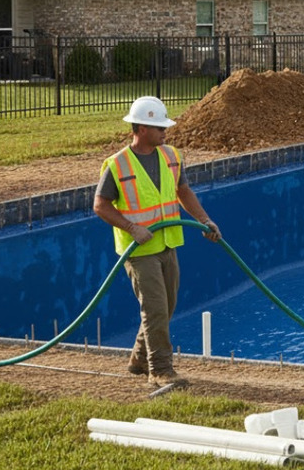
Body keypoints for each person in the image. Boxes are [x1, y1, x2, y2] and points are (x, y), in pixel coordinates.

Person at [93, 96, 221, 387]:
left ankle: (139, 358)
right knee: (155, 309)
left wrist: (205, 220)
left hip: (167, 243)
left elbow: (184, 191)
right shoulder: (118, 165)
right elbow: (100, 205)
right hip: (139, 250)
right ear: (139, 128)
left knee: (167, 305)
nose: (165, 131)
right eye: (158, 126)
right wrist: (131, 227)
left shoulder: (171, 156)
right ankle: (160, 370)